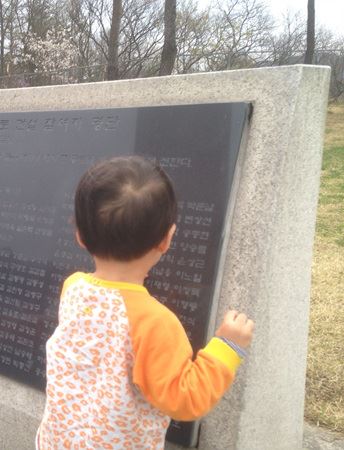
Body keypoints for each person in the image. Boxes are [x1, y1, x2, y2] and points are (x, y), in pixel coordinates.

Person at [36, 156, 254, 449]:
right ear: (166, 239)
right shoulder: (155, 322)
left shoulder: (73, 287)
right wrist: (227, 348)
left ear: (80, 237)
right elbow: (184, 399)